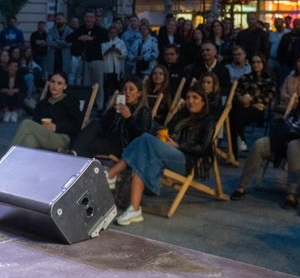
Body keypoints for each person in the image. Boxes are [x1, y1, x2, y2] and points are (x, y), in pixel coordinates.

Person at [104, 87, 217, 226]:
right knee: (141, 161)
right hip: (166, 153)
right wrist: (162, 136)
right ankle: (134, 209)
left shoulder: (208, 120)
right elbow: (165, 128)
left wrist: (178, 146)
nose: (190, 101)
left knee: (144, 138)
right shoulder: (181, 115)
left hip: (185, 159)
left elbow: (203, 147)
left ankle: (111, 174)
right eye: (188, 98)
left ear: (203, 102)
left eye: (195, 98)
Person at [229, 91, 300, 208]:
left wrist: (295, 126)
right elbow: (287, 123)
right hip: (285, 141)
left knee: (294, 145)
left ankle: (291, 194)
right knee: (259, 144)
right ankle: (242, 186)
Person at [72, 77, 152, 158]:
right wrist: (112, 110)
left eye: (131, 89)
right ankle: (73, 154)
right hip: (108, 139)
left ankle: (73, 155)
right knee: (94, 124)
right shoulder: (120, 106)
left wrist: (129, 118)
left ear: (139, 93)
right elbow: (102, 124)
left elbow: (142, 136)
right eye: (125, 89)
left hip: (123, 145)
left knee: (86, 143)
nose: (127, 92)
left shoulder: (144, 111)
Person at [9, 72, 82, 153]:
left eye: (59, 83)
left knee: (26, 123)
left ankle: (6, 157)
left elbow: (76, 124)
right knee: (29, 140)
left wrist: (56, 126)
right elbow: (35, 121)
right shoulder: (43, 103)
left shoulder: (70, 102)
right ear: (49, 83)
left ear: (65, 86)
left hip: (61, 138)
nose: (55, 86)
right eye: (52, 82)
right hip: (43, 134)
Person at [229, 54, 277, 153]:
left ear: (263, 63)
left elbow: (268, 98)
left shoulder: (269, 79)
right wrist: (244, 99)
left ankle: (234, 152)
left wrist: (251, 100)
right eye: (253, 62)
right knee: (236, 114)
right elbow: (236, 93)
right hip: (242, 107)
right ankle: (240, 143)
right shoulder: (245, 77)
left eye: (258, 62)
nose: (256, 65)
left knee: (234, 117)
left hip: (258, 111)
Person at [69, 11, 108, 109]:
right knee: (86, 85)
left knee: (98, 84)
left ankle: (99, 106)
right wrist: (80, 38)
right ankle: (85, 106)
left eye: (91, 17)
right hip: (85, 60)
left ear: (94, 19)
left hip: (97, 59)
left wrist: (91, 39)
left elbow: (106, 39)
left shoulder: (100, 30)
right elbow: (69, 38)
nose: (88, 19)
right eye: (87, 17)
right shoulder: (81, 29)